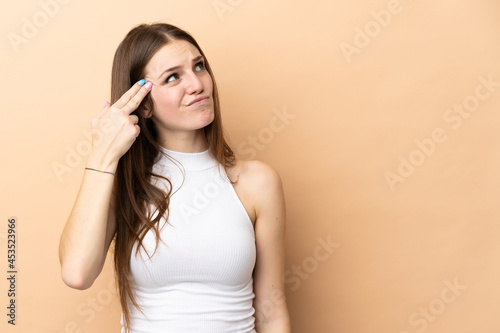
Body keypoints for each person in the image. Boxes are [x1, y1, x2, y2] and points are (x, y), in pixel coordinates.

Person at [58, 23, 291, 333]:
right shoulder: (123, 185)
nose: (197, 84)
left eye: (199, 66)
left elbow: (270, 312)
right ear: (144, 104)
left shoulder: (257, 182)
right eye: (173, 77)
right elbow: (77, 273)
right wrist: (102, 154)